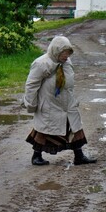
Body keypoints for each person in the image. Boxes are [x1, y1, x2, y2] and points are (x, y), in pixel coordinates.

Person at [23, 35, 97, 166]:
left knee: (74, 127)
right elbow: (31, 85)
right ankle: (36, 156)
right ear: (56, 51)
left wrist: (73, 100)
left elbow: (69, 81)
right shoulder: (41, 63)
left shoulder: (67, 63)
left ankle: (79, 156)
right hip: (49, 103)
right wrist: (31, 104)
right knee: (44, 129)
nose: (66, 57)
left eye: (68, 54)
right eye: (64, 53)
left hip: (67, 102)